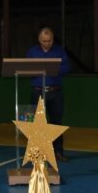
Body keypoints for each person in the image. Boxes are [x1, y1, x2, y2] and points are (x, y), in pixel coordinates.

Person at [25, 26, 72, 161]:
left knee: (56, 122)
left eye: (49, 40)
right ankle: (38, 153)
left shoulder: (59, 50)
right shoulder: (32, 52)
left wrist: (52, 68)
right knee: (37, 124)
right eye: (44, 41)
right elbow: (26, 68)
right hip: (37, 92)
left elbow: (67, 67)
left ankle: (58, 152)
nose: (47, 43)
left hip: (55, 92)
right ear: (39, 40)